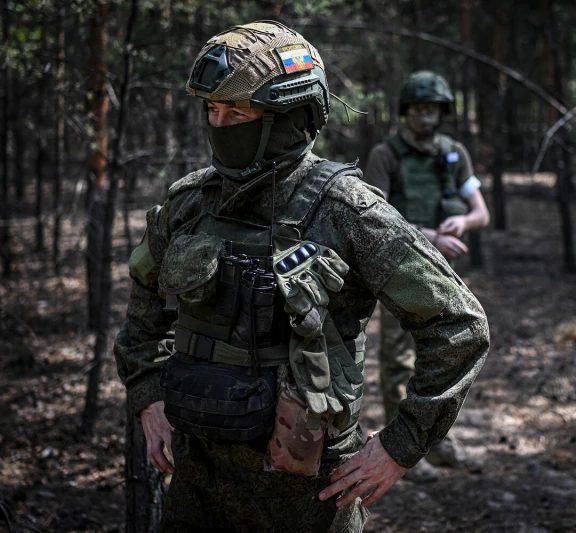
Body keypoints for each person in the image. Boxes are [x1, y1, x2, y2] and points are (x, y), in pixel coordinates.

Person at [114, 22, 489, 532]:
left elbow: (459, 325)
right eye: (212, 111)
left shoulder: (347, 211)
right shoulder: (189, 204)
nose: (220, 125)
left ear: (291, 117)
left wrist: (399, 447)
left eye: (238, 113)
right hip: (197, 476)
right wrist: (147, 396)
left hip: (308, 491)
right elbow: (142, 317)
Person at [363, 71, 490, 481]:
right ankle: (400, 449)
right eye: (418, 109)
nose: (425, 118)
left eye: (432, 109)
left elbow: (481, 212)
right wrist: (432, 234)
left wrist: (462, 224)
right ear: (405, 112)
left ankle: (437, 442)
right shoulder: (386, 154)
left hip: (445, 272)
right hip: (398, 271)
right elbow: (373, 219)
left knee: (448, 357)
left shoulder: (454, 153)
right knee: (398, 360)